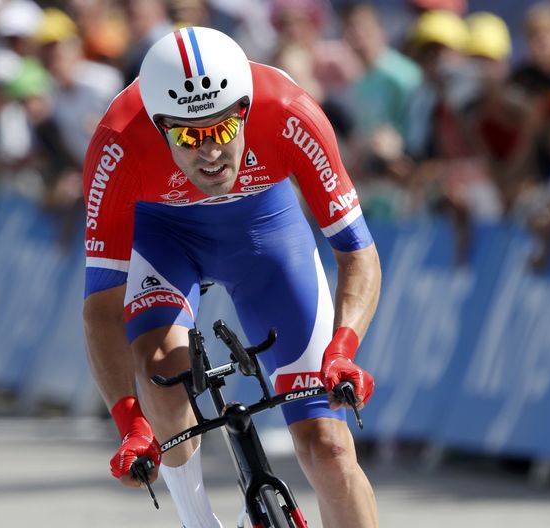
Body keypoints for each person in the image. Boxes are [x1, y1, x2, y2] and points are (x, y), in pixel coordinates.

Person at [82, 26, 381, 527]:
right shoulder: (117, 144)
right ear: (158, 126)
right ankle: (197, 519)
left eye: (222, 130)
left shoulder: (289, 111)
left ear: (245, 109)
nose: (211, 152)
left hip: (265, 234)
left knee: (329, 448)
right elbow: (102, 309)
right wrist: (130, 422)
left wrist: (344, 349)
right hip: (163, 237)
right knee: (161, 369)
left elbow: (357, 253)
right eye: (188, 136)